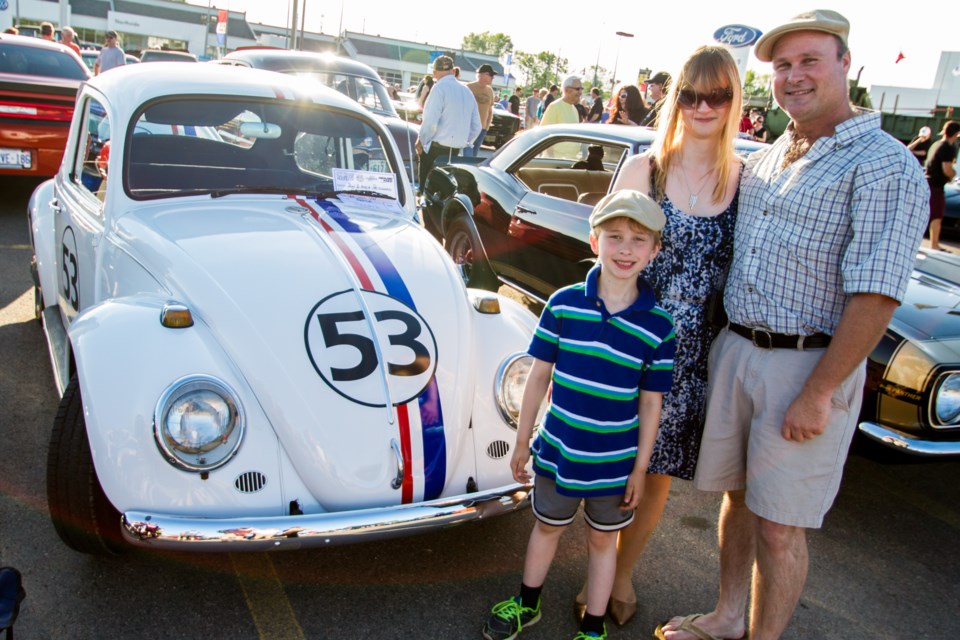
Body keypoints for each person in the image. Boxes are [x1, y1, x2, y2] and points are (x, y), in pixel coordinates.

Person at [657, 10, 928, 640]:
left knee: (781, 524)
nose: (794, 76)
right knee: (738, 501)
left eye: (810, 60)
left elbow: (877, 294)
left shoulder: (885, 165)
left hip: (807, 365)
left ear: (845, 64)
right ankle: (727, 617)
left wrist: (820, 390)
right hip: (738, 349)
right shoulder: (775, 152)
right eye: (783, 65)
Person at [575, 45, 744, 628]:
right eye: (691, 95)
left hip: (687, 357)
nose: (703, 106)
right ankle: (597, 564)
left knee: (652, 478)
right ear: (676, 100)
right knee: (604, 460)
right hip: (626, 342)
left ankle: (620, 575)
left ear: (732, 102)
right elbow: (606, 255)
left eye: (717, 95)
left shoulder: (741, 180)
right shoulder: (645, 170)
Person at [481, 189, 675, 640]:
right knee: (546, 528)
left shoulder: (659, 327)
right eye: (614, 236)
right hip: (558, 450)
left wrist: (640, 469)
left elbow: (651, 402)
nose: (625, 249)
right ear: (594, 241)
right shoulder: (564, 304)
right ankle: (527, 605)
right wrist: (522, 437)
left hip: (614, 461)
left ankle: (593, 629)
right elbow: (537, 376)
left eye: (638, 239)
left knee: (603, 541)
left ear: (655, 250)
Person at [415, 55, 481, 193]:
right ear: (453, 71)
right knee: (448, 192)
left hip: (436, 150)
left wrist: (422, 141)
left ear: (434, 72)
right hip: (456, 151)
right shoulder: (467, 91)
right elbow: (477, 126)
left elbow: (430, 121)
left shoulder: (439, 88)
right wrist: (465, 141)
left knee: (428, 193)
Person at [924, 120, 959, 251]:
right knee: (937, 216)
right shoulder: (948, 147)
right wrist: (952, 174)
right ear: (956, 134)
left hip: (927, 183)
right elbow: (947, 168)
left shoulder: (936, 144)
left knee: (926, 214)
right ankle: (934, 245)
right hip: (936, 186)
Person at [465, 63, 497, 157]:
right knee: (467, 154)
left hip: (482, 129)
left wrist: (486, 127)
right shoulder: (468, 87)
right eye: (491, 75)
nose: (492, 78)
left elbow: (490, 110)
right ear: (484, 74)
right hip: (469, 127)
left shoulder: (490, 90)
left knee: (474, 154)